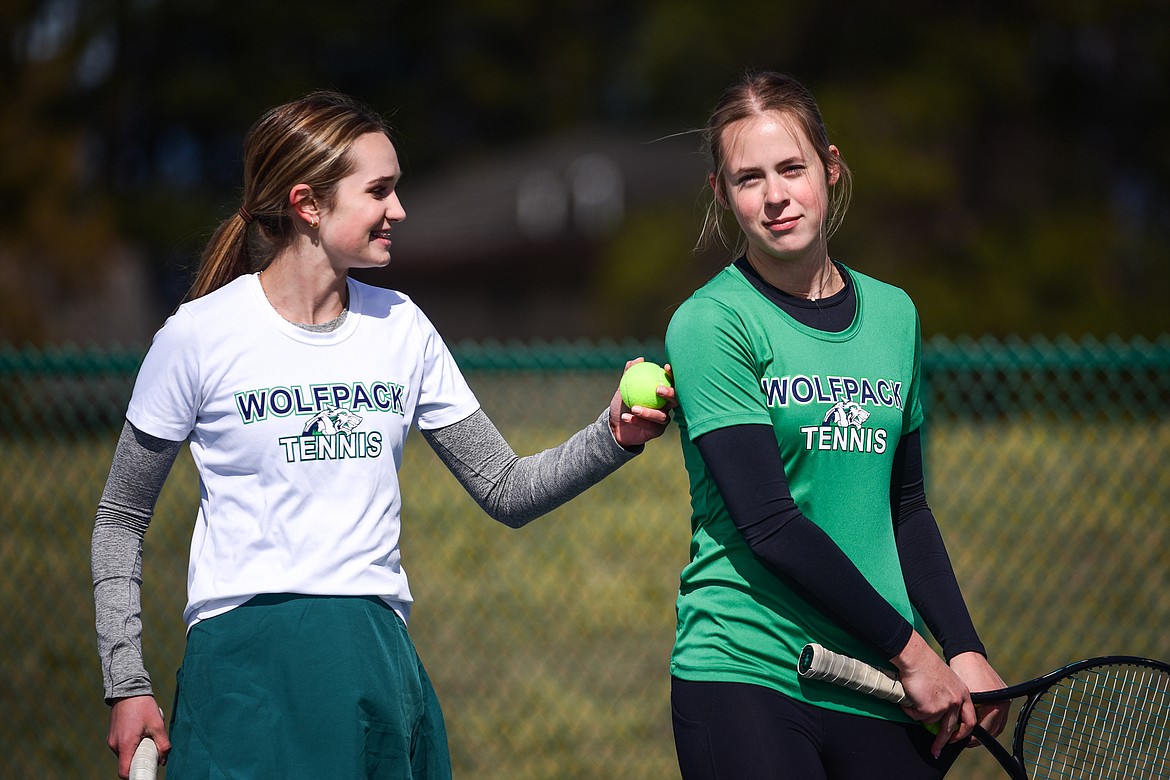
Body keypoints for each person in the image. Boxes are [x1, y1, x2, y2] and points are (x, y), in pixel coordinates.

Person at [91, 90, 675, 780]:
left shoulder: (402, 326)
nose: (398, 210)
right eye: (379, 192)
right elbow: (120, 518)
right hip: (247, 673)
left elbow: (505, 487)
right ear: (308, 204)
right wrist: (127, 682)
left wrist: (614, 435)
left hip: (375, 662)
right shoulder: (198, 335)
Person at [664, 71, 1010, 779]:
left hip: (880, 685)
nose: (775, 197)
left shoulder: (895, 314)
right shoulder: (710, 323)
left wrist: (963, 646)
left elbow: (906, 508)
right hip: (750, 670)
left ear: (830, 165)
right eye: (748, 178)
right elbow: (770, 525)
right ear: (721, 194)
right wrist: (916, 654)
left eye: (792, 168)